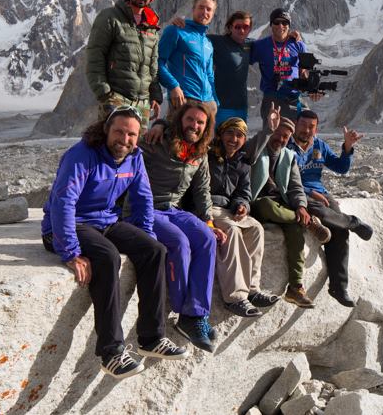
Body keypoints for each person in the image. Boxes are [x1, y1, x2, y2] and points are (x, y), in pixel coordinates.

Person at [40, 105, 187, 379]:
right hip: (68, 225)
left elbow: (143, 200)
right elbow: (63, 202)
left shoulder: (134, 158)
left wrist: (144, 238)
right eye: (119, 131)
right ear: (106, 129)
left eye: (132, 134)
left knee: (155, 250)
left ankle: (151, 338)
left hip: (104, 221)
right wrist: (70, 251)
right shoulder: (82, 155)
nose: (125, 139)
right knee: (107, 256)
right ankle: (111, 352)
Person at [140, 100, 226, 352]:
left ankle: (195, 315)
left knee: (207, 238)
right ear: (180, 120)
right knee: (179, 241)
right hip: (146, 208)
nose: (195, 126)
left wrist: (208, 220)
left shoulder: (199, 154)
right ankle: (182, 309)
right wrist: (157, 123)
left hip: (173, 209)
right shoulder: (158, 140)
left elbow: (202, 190)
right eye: (190, 120)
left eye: (201, 122)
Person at [289, 110, 373, 307]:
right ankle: (353, 222)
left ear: (316, 128)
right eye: (303, 125)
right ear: (295, 124)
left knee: (340, 231)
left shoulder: (319, 145)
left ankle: (338, 287)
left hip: (321, 193)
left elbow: (340, 167)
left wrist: (348, 147)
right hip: (297, 192)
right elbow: (281, 178)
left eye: (311, 127)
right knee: (321, 211)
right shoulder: (286, 144)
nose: (306, 130)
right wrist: (309, 192)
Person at [249, 116, 331, 308]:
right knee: (268, 205)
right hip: (255, 202)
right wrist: (267, 131)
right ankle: (310, 223)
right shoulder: (257, 147)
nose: (280, 139)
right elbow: (250, 151)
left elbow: (296, 186)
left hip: (282, 205)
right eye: (277, 133)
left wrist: (301, 206)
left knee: (295, 230)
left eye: (285, 136)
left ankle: (296, 287)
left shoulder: (288, 156)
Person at [171, 9, 303, 128]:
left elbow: (278, 46)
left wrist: (293, 35)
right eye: (237, 27)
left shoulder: (251, 45)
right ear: (230, 27)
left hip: (240, 106)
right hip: (218, 105)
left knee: (237, 144)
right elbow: (197, 37)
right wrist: (185, 23)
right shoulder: (218, 41)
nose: (242, 30)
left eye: (246, 27)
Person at [207, 110, 282, 317]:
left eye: (239, 135)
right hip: (208, 207)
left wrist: (242, 205)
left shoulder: (241, 162)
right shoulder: (209, 156)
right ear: (221, 135)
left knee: (256, 228)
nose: (234, 139)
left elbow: (244, 192)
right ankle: (235, 297)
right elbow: (200, 189)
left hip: (229, 209)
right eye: (230, 133)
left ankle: (252, 289)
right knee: (232, 231)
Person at [86, 0, 163, 122]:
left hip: (143, 103)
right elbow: (95, 55)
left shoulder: (152, 26)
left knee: (135, 144)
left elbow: (152, 66)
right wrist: (105, 94)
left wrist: (155, 96)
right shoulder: (110, 17)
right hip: (116, 98)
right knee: (111, 143)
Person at [249, 8, 314, 125]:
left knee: (306, 126)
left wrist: (312, 87)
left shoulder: (299, 45)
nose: (280, 25)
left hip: (293, 96)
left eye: (284, 23)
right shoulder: (260, 45)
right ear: (271, 24)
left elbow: (303, 72)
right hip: (271, 97)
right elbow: (242, 48)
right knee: (272, 134)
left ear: (289, 26)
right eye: (277, 22)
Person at [157, 0, 217, 116]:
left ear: (212, 14)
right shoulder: (176, 30)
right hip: (184, 98)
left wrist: (215, 100)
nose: (204, 12)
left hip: (208, 102)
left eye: (209, 9)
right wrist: (173, 86)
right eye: (201, 7)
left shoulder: (208, 43)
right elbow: (158, 61)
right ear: (193, 9)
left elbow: (210, 74)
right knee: (176, 135)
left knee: (206, 136)